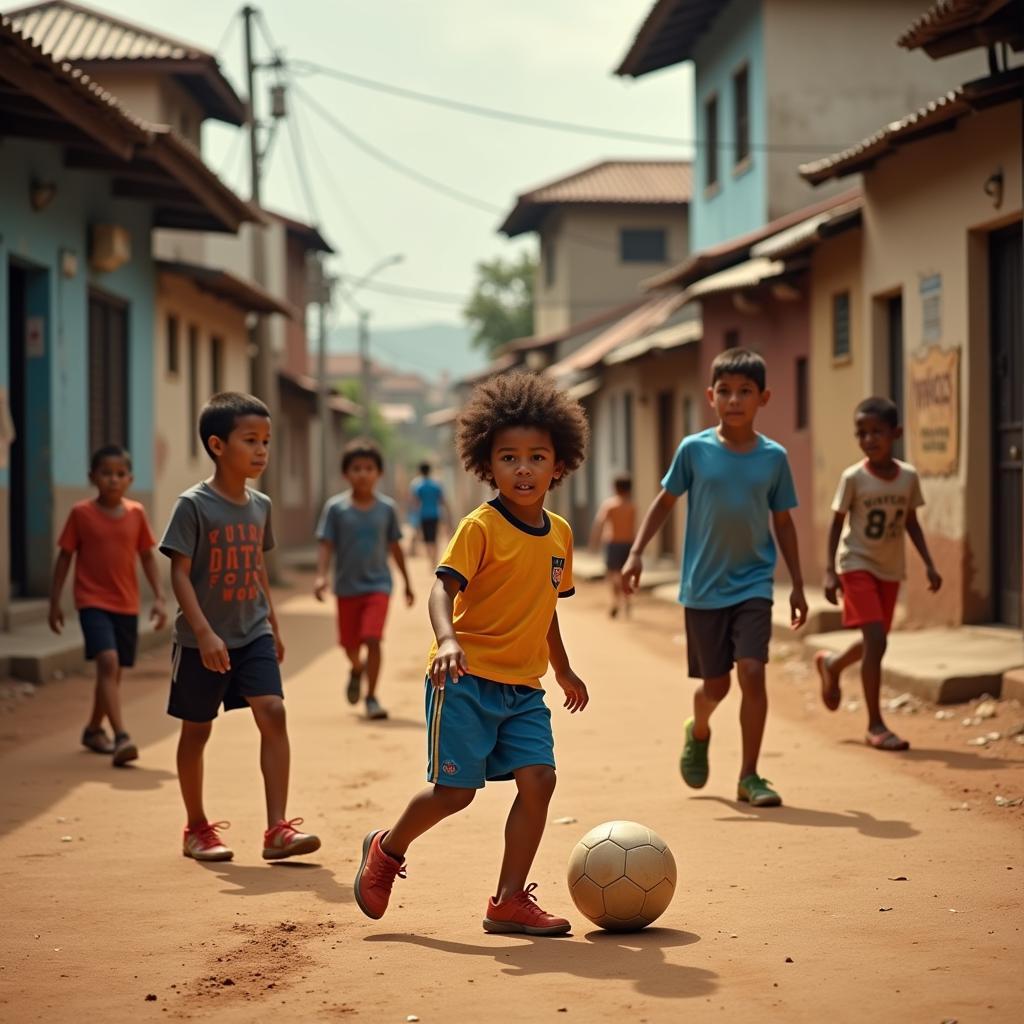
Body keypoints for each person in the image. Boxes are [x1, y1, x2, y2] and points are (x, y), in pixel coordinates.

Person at [353, 372, 590, 936]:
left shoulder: (559, 534)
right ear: (489, 465)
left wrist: (563, 667)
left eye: (537, 457)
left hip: (523, 689)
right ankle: (387, 848)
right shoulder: (479, 527)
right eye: (509, 458)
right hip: (464, 679)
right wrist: (449, 639)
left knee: (540, 780)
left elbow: (546, 605)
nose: (525, 469)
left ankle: (508, 900)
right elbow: (443, 588)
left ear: (560, 464)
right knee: (455, 793)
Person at [623, 348, 808, 808]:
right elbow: (664, 503)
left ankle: (749, 775)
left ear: (763, 397)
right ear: (710, 396)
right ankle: (699, 727)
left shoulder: (774, 458)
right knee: (716, 686)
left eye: (745, 391)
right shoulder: (694, 450)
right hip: (703, 588)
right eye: (724, 391)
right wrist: (636, 552)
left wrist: (799, 586)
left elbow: (783, 522)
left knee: (752, 671)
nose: (734, 399)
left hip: (754, 584)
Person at [160, 391, 320, 864]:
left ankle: (277, 829)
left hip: (252, 632)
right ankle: (196, 827)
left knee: (273, 711)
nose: (261, 451)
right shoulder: (193, 505)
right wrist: (204, 632)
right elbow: (179, 573)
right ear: (216, 445)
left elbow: (255, 567)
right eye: (250, 440)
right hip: (200, 639)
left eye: (266, 441)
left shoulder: (260, 505)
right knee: (197, 732)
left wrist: (272, 621)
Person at [816, 397, 942, 751]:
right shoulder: (853, 478)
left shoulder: (908, 477)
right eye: (862, 433)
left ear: (896, 434)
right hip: (855, 563)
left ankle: (833, 664)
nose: (869, 439)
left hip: (890, 569)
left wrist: (929, 563)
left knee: (877, 640)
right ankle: (875, 724)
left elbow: (911, 523)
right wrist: (830, 571)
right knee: (877, 640)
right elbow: (836, 523)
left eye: (877, 432)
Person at [48, 445, 167, 766]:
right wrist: (55, 601)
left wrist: (158, 597)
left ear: (130, 479)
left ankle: (92, 729)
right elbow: (65, 557)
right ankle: (121, 736)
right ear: (91, 477)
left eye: (120, 474)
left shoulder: (136, 514)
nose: (113, 480)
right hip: (91, 601)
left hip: (126, 604)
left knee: (112, 673)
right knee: (108, 661)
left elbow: (147, 557)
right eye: (105, 473)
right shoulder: (81, 514)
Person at [314, 439, 414, 720]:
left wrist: (407, 583)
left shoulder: (387, 509)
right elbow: (325, 545)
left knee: (372, 638)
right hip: (346, 588)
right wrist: (321, 577)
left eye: (369, 468)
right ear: (346, 474)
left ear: (378, 473)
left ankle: (371, 697)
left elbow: (395, 547)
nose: (363, 474)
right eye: (356, 468)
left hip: (378, 585)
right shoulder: (336, 509)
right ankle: (356, 668)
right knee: (349, 645)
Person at [589, 473, 637, 619]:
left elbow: (600, 523)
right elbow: (634, 526)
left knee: (613, 575)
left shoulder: (610, 505)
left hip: (613, 543)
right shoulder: (632, 506)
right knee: (626, 575)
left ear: (615, 488)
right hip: (628, 544)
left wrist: (594, 543)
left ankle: (616, 602)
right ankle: (627, 599)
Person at [409, 461, 447, 565]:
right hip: (435, 514)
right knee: (434, 537)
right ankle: (435, 559)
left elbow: (415, 502)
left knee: (427, 538)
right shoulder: (436, 485)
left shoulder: (417, 485)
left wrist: (413, 517)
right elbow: (442, 500)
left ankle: (431, 560)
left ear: (420, 471)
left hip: (423, 515)